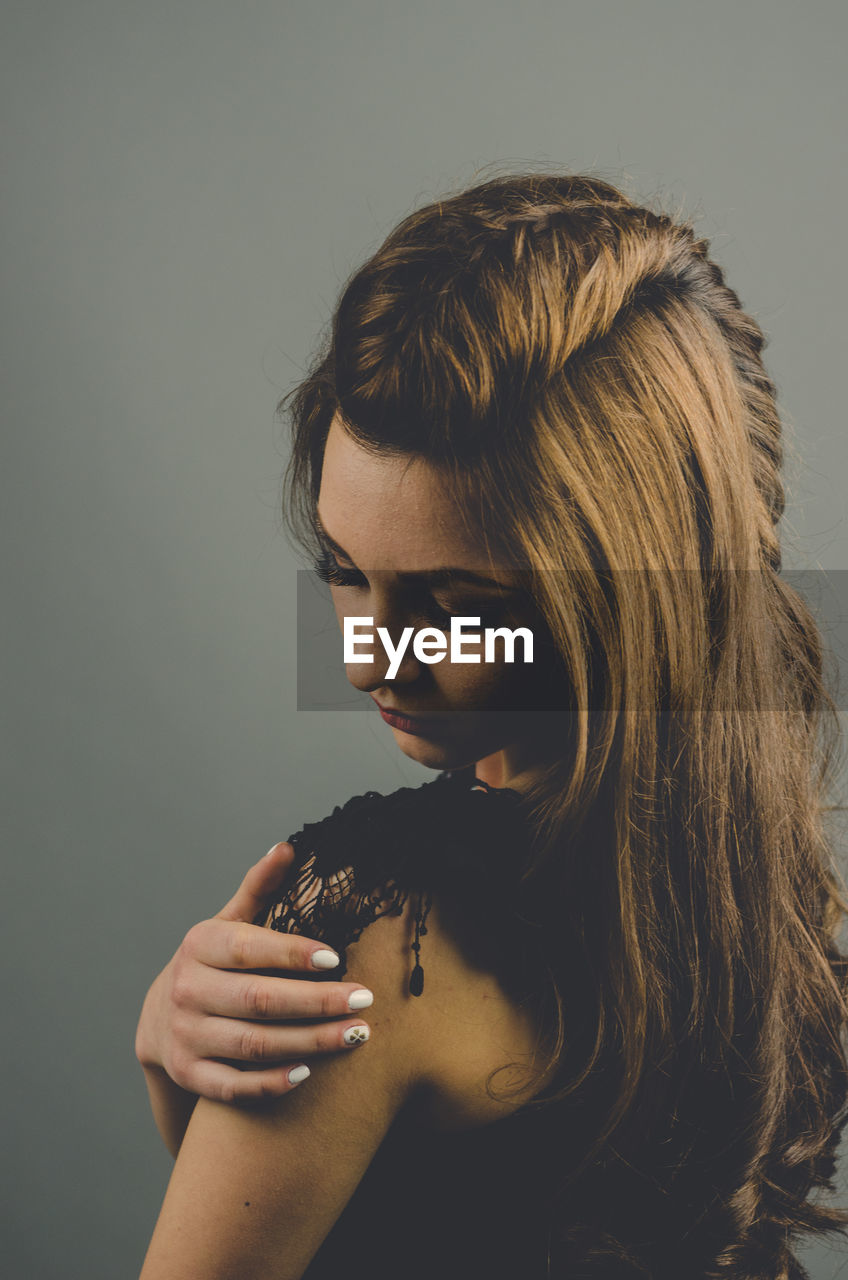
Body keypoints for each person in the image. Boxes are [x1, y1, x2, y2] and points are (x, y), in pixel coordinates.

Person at [136, 172, 848, 1279]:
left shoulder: (378, 939)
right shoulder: (777, 913)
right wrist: (193, 1102)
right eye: (340, 570)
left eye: (457, 605)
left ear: (629, 590)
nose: (371, 651)